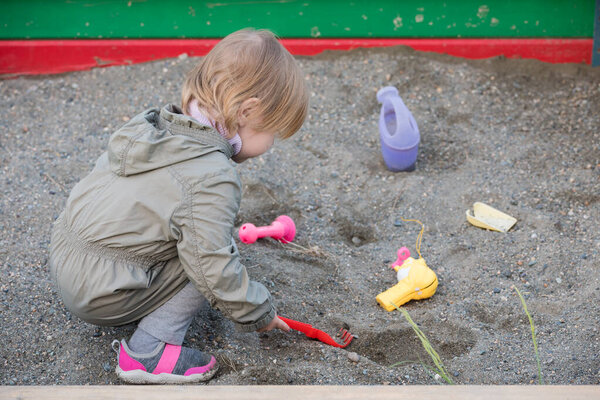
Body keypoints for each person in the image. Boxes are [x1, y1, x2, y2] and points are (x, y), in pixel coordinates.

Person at [49, 28, 308, 384]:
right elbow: (211, 265)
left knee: (198, 234)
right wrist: (258, 312)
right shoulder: (212, 176)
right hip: (102, 294)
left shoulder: (151, 128)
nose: (271, 143)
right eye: (272, 133)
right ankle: (149, 351)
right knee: (209, 254)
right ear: (248, 111)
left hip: (66, 258)